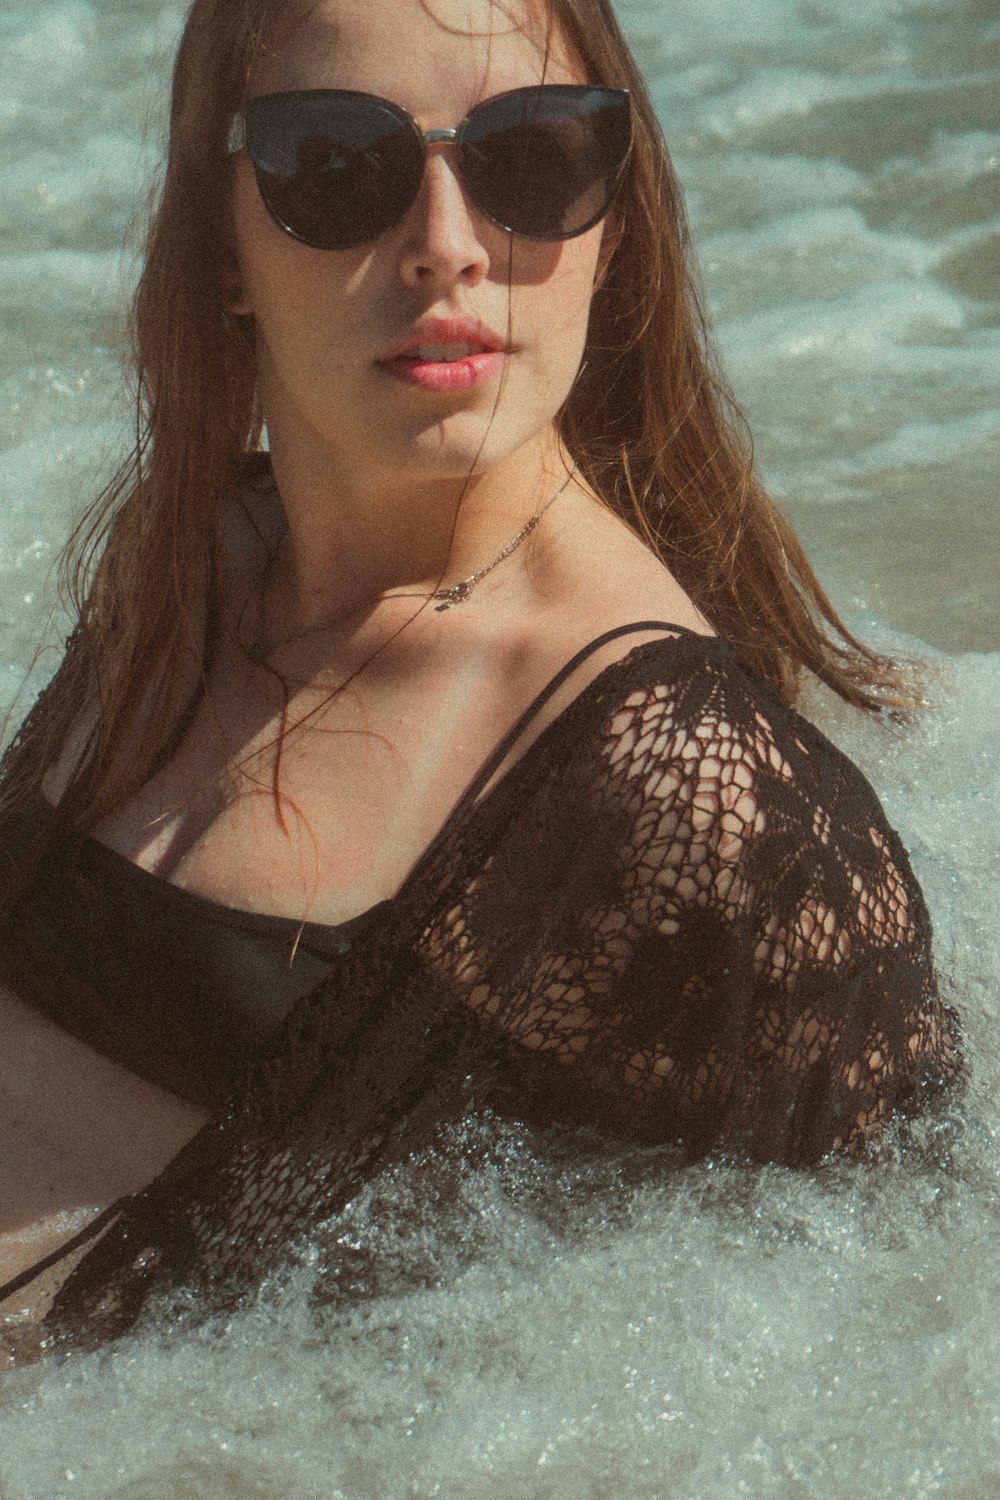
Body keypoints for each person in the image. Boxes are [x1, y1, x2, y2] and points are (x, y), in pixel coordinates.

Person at [0, 0, 958, 1360]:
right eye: (335, 165)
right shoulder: (200, 559)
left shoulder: (706, 801)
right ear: (221, 241)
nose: (449, 246)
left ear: (611, 227)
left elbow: (899, 1335)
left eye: (531, 160)